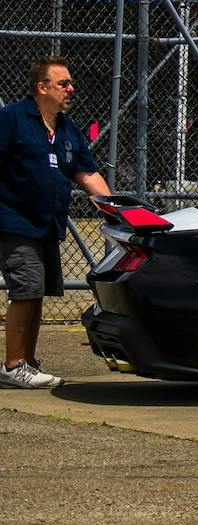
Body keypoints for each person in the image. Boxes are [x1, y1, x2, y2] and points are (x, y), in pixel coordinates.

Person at [2, 58, 113, 391]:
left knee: (38, 292)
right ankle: (13, 366)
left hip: (47, 224)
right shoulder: (12, 120)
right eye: (63, 83)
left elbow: (87, 173)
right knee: (26, 289)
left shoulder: (67, 129)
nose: (71, 89)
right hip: (14, 222)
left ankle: (28, 362)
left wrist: (115, 209)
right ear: (42, 88)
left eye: (70, 82)